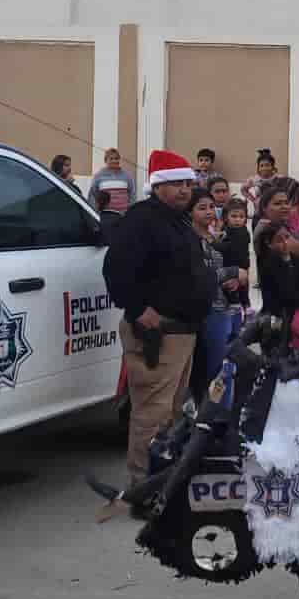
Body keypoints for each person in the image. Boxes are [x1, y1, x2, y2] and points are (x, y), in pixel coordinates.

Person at [102, 149, 212, 486]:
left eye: (188, 184)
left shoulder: (177, 220)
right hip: (157, 333)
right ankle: (143, 486)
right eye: (176, 184)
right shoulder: (141, 219)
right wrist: (138, 310)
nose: (184, 190)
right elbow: (115, 269)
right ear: (158, 186)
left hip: (183, 332)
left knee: (173, 412)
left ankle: (165, 481)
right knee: (152, 413)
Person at [187, 191, 248, 412]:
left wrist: (234, 279)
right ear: (190, 212)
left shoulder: (216, 236)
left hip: (224, 305)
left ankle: (221, 416)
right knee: (211, 366)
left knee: (225, 365)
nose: (209, 212)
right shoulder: (190, 239)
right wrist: (231, 273)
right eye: (202, 207)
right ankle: (209, 416)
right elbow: (201, 274)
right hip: (206, 309)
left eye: (211, 207)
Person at [243, 149, 279, 220]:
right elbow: (243, 189)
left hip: (274, 215)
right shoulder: (253, 179)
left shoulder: (278, 179)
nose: (264, 168)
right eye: (261, 166)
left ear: (272, 166)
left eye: (267, 165)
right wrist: (253, 200)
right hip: (258, 214)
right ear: (258, 168)